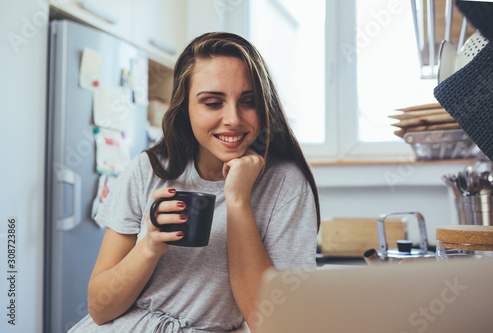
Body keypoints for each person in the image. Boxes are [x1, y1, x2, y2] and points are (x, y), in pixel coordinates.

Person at [69, 32, 320, 333]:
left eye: (248, 101)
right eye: (213, 103)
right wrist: (149, 246)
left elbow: (273, 323)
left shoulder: (285, 185)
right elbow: (99, 309)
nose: (233, 118)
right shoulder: (145, 170)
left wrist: (238, 200)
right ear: (185, 107)